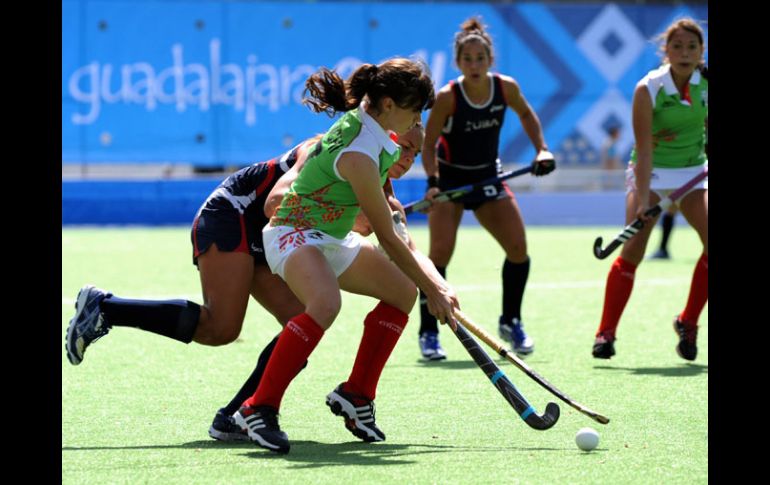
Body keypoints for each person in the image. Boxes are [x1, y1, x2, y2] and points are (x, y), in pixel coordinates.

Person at [64, 123, 426, 441]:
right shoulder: (330, 145)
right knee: (220, 327)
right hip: (233, 215)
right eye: (405, 146)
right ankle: (105, 307)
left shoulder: (378, 175)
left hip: (272, 235)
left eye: (416, 152)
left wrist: (430, 280)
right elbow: (278, 202)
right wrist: (353, 218)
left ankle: (236, 417)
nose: (409, 157)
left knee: (299, 328)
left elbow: (394, 235)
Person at [231, 58, 458, 454]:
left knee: (402, 292)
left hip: (332, 236)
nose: (416, 120)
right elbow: (386, 237)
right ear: (388, 104)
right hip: (293, 233)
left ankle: (357, 395)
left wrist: (433, 284)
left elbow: (387, 213)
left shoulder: (372, 125)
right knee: (325, 302)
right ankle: (258, 408)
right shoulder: (359, 152)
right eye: (414, 111)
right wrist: (434, 289)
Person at [417, 16, 555, 360]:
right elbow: (429, 141)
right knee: (439, 257)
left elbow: (526, 115)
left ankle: (511, 321)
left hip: (488, 179)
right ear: (458, 63)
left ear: (490, 60)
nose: (474, 64)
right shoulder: (449, 96)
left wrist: (542, 148)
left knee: (518, 248)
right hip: (451, 182)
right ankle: (429, 332)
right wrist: (433, 184)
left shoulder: (505, 87)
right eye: (468, 59)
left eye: (480, 58)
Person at [592, 18, 708, 361]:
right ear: (665, 50)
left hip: (693, 172)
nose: (685, 53)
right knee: (632, 253)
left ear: (701, 51)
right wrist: (643, 200)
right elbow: (643, 149)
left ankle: (688, 322)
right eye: (677, 46)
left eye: (692, 47)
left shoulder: (707, 83)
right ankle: (606, 332)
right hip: (653, 172)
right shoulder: (649, 88)